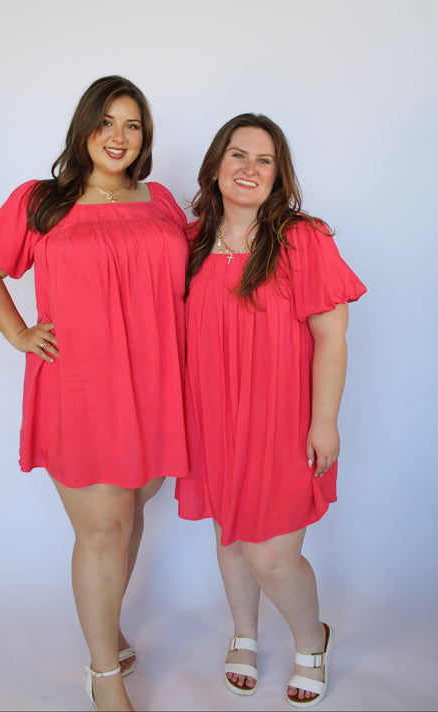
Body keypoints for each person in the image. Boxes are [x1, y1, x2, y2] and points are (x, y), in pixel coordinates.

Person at [0, 76, 189, 712]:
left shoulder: (162, 199)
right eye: (107, 123)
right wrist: (18, 333)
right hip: (83, 386)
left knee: (133, 511)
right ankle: (102, 675)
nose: (119, 137)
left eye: (133, 125)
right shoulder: (42, 201)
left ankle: (108, 624)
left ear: (145, 137)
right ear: (85, 127)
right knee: (102, 529)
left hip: (154, 384)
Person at [175, 113, 366, 708]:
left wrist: (324, 421)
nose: (249, 169)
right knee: (231, 538)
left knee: (273, 555)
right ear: (215, 166)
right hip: (212, 418)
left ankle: (312, 640)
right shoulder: (190, 243)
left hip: (282, 423)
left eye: (263, 159)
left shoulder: (303, 239)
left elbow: (332, 337)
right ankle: (245, 634)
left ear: (279, 174)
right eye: (237, 155)